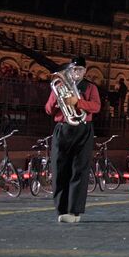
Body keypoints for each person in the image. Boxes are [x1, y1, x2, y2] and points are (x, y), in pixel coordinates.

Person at [44, 54, 100, 224]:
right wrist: (56, 101)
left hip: (82, 129)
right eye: (74, 69)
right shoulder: (59, 85)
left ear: (85, 71)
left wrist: (77, 102)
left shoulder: (90, 88)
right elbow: (48, 109)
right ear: (70, 70)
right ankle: (61, 209)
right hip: (63, 129)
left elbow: (96, 106)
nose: (76, 73)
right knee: (59, 169)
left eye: (80, 70)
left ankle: (74, 211)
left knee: (79, 170)